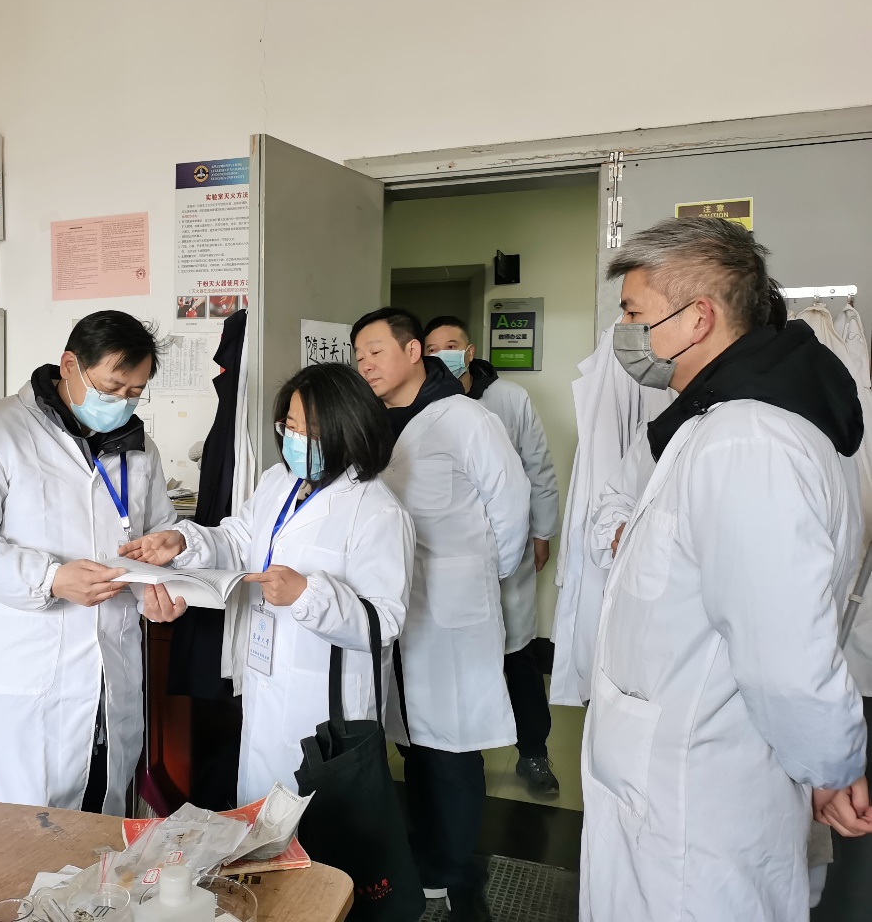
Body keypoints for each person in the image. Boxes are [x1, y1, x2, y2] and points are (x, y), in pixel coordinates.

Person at [581, 217, 872, 921]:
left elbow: (786, 656)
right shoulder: (717, 422)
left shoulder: (750, 442)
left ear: (699, 318)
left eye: (634, 314)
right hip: (674, 782)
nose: (625, 332)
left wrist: (830, 767)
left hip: (694, 805)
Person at [121, 363, 415, 806]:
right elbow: (240, 539)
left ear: (349, 428)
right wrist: (183, 540)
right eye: (290, 426)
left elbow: (385, 621)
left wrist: (308, 595)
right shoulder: (280, 481)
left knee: (317, 823)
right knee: (260, 810)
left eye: (311, 430)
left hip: (325, 702)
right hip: (265, 676)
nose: (296, 438)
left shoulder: (378, 511)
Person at [0, 311, 184, 815]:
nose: (123, 403)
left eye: (136, 392)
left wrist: (162, 590)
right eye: (112, 388)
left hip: (112, 673)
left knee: (102, 826)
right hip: (29, 678)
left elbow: (157, 535)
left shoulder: (138, 449)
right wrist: (50, 579)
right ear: (70, 365)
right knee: (18, 834)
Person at [352, 308, 529, 920]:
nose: (366, 364)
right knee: (414, 743)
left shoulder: (464, 417)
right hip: (397, 604)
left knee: (452, 749)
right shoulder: (373, 422)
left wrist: (479, 576)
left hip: (453, 604)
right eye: (358, 356)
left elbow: (510, 507)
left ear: (413, 352)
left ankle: (455, 874)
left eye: (376, 351)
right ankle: (425, 861)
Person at [423, 315, 561, 795]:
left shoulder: (508, 398)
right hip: (450, 556)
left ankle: (534, 752)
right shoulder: (421, 403)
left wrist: (541, 531)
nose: (441, 354)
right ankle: (463, 757)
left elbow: (538, 469)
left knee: (517, 653)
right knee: (462, 662)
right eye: (432, 347)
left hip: (509, 545)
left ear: (470, 350)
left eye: (451, 345)